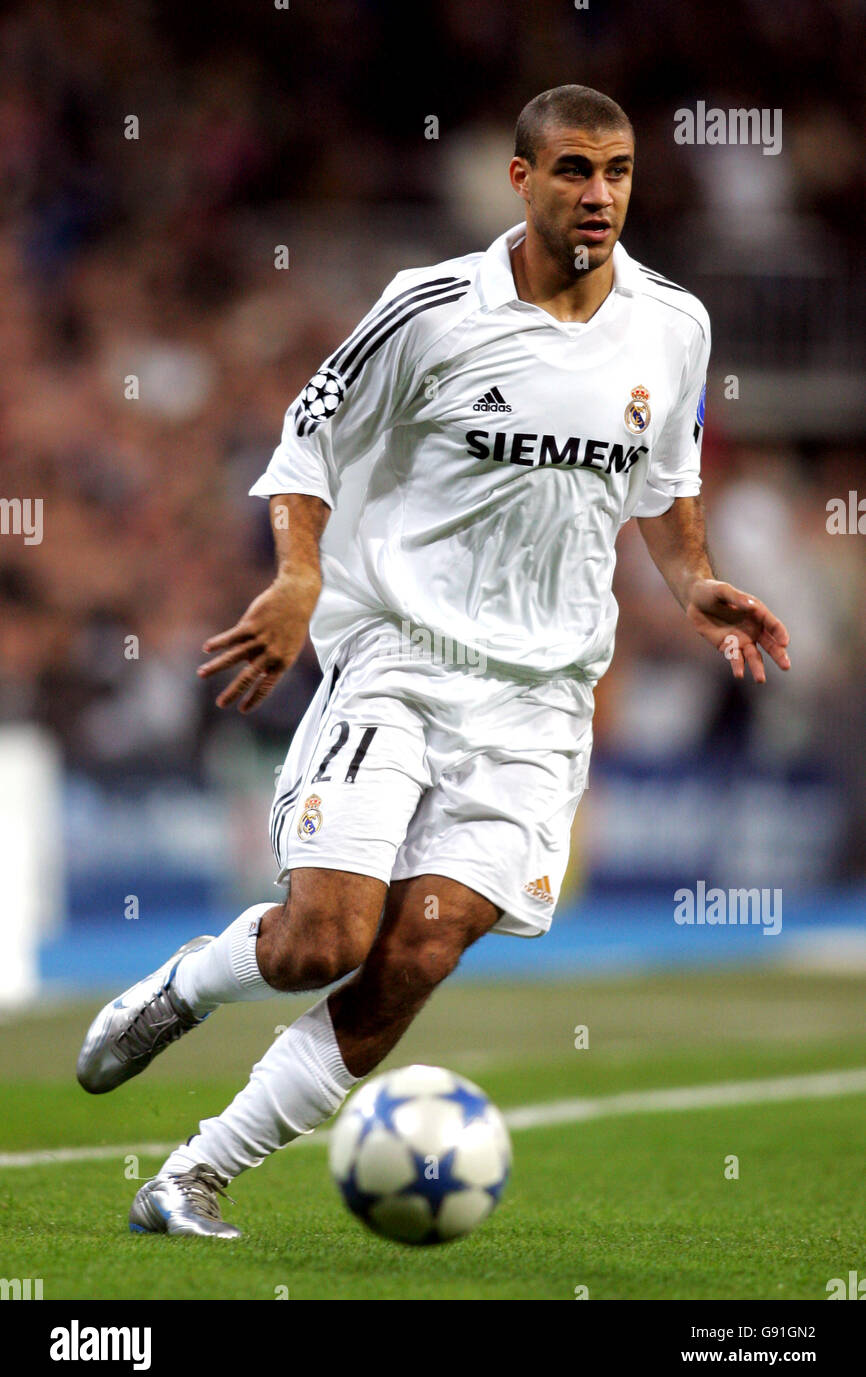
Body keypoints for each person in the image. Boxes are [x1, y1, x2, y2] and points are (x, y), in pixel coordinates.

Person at [77, 85, 790, 1237]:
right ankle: (185, 986)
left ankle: (191, 1176)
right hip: (399, 657)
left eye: (613, 171)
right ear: (519, 180)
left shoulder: (674, 324)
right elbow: (307, 438)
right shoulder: (429, 309)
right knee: (322, 942)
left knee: (414, 954)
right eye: (570, 170)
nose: (596, 194)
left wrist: (693, 579)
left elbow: (666, 490)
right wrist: (298, 578)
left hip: (543, 699)